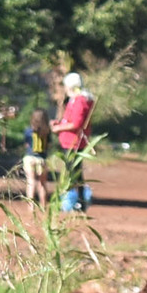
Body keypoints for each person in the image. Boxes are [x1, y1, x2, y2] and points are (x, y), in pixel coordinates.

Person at [49, 71, 96, 212]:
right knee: (73, 171)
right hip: (68, 141)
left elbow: (76, 124)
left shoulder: (80, 101)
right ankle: (76, 200)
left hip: (73, 142)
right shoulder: (75, 100)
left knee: (74, 172)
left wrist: (58, 128)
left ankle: (77, 201)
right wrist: (59, 123)